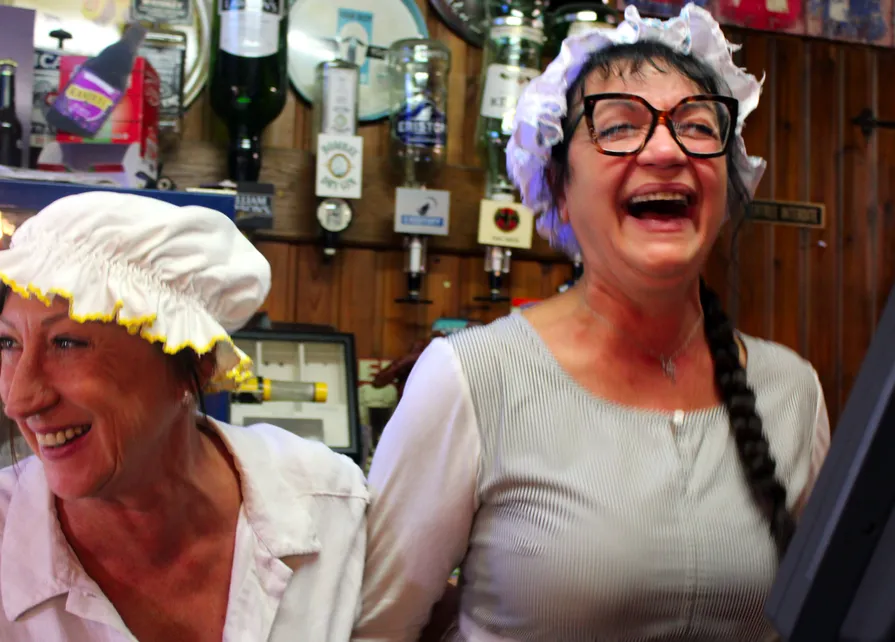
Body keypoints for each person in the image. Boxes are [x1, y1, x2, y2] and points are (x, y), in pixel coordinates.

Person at [353, 5, 831, 641]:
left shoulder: (791, 391)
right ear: (558, 185)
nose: (666, 149)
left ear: (728, 180)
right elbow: (373, 631)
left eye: (696, 126)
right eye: (618, 127)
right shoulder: (473, 379)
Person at [0, 191, 368, 641]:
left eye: (68, 343)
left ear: (197, 364)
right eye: (8, 343)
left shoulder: (331, 507)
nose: (20, 399)